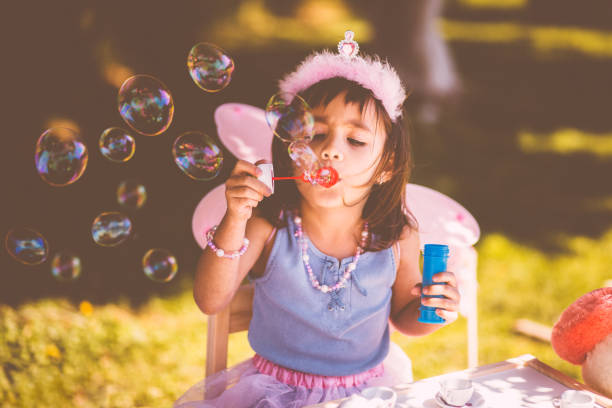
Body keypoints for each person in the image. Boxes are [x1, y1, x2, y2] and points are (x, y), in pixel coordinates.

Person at [175, 31, 461, 408]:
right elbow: (210, 301)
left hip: (367, 395)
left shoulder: (397, 238)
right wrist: (235, 217)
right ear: (291, 151)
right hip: (275, 394)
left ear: (387, 167)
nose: (330, 152)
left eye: (355, 141)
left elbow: (406, 320)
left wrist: (434, 310)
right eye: (317, 134)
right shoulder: (267, 230)